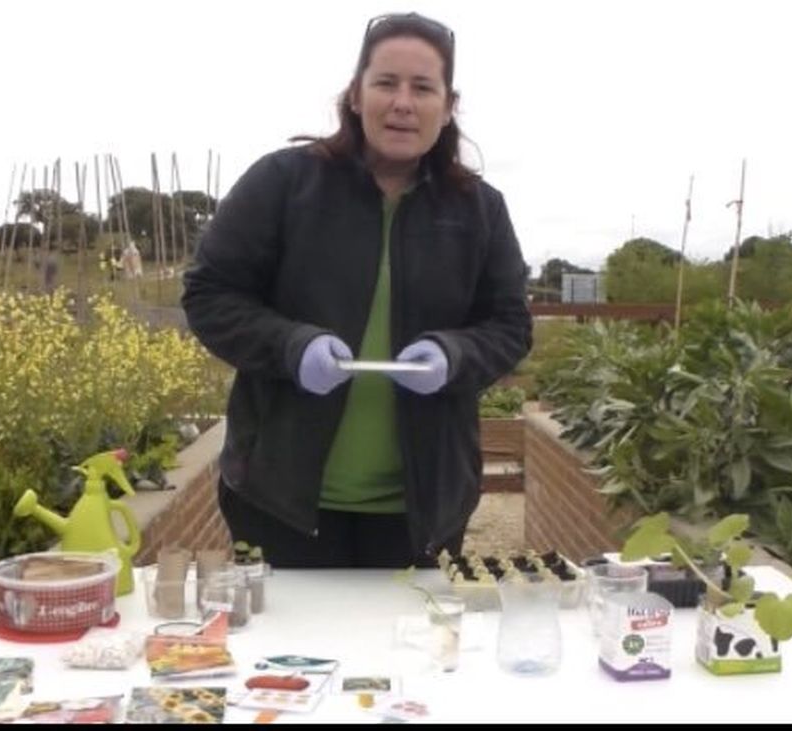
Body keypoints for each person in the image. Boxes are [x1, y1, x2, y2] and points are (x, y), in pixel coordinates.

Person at [182, 12, 532, 569]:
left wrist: (454, 354)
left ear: (448, 107)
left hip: (422, 509)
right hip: (280, 502)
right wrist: (292, 348)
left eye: (423, 88)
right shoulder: (283, 183)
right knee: (291, 657)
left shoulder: (480, 210)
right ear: (354, 94)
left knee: (411, 652)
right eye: (386, 83)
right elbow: (210, 294)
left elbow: (510, 326)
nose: (403, 102)